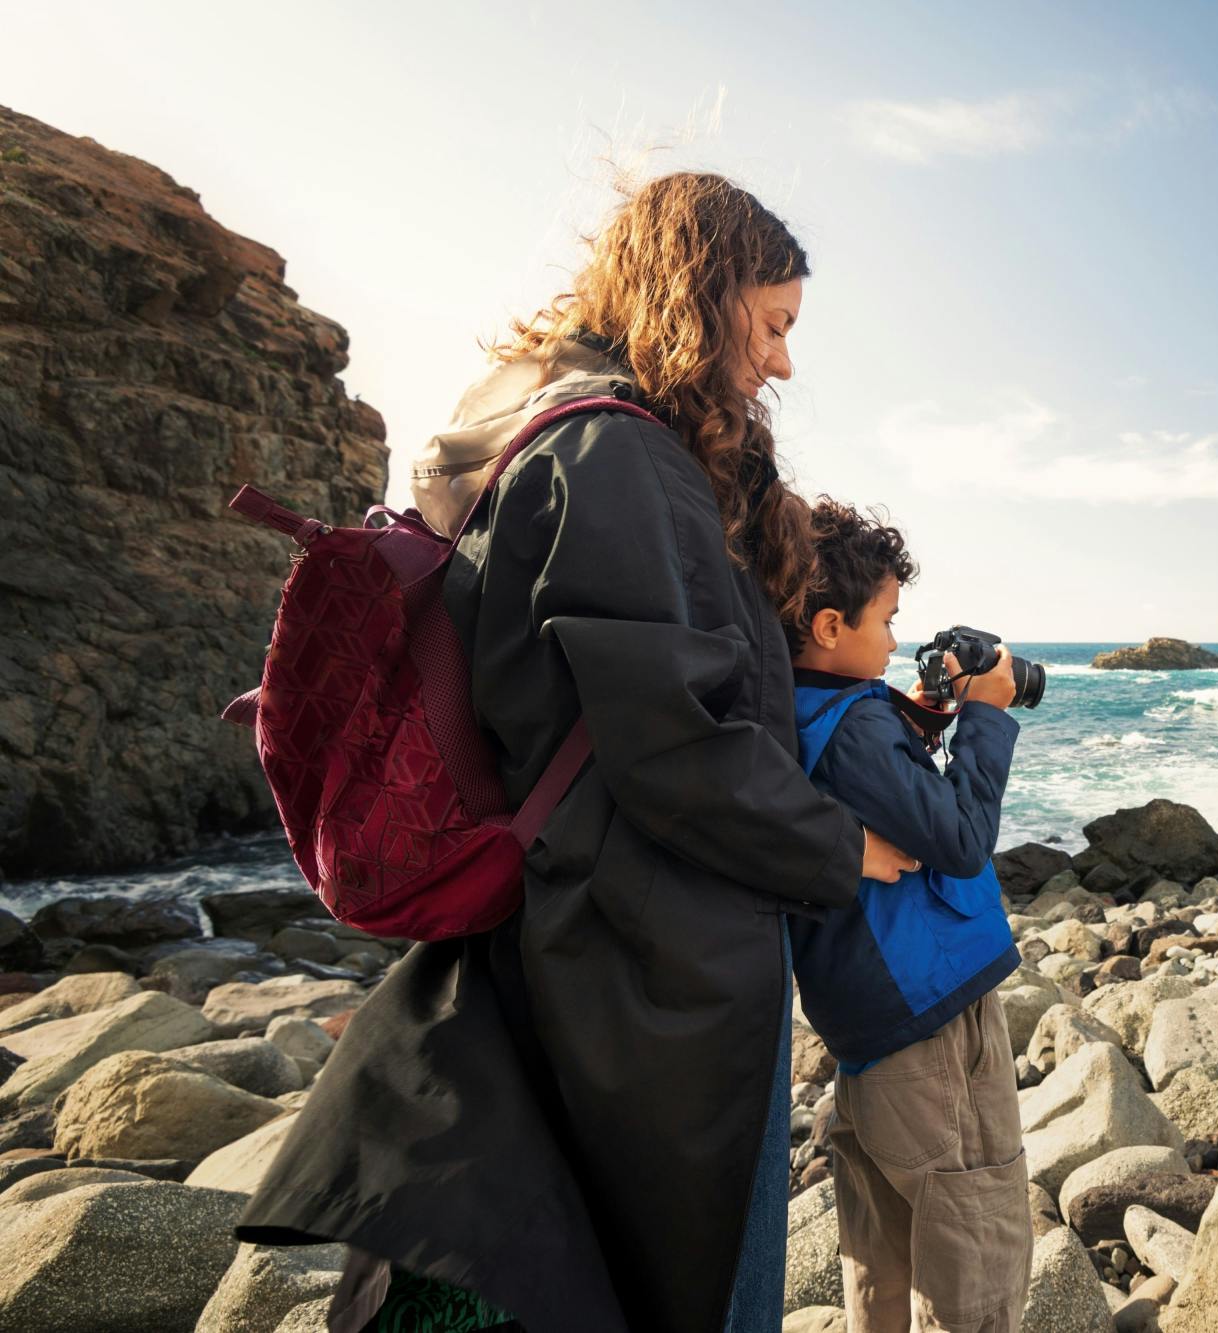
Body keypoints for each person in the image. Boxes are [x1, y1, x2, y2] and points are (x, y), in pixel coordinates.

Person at [236, 172, 920, 1332]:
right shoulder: (619, 457)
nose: (783, 364)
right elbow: (675, 748)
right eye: (772, 325)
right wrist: (841, 843)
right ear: (701, 300)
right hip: (641, 960)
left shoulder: (568, 433)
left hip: (583, 933)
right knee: (685, 1282)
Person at [787, 500, 1032, 1333]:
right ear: (828, 624)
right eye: (886, 621)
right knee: (975, 1232)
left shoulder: (798, 706)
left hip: (866, 1019)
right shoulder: (853, 725)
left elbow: (883, 782)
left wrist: (924, 710)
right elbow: (959, 837)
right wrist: (988, 713)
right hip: (927, 1009)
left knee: (883, 1251)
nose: (895, 640)